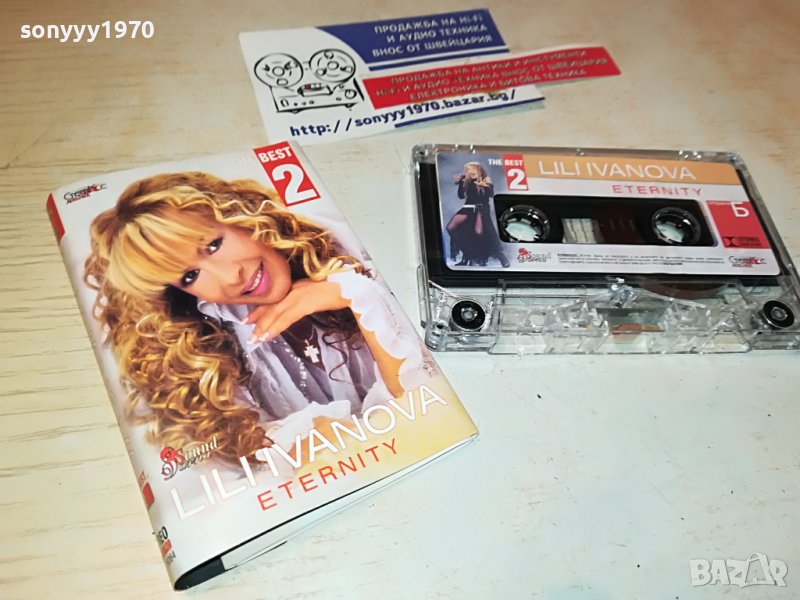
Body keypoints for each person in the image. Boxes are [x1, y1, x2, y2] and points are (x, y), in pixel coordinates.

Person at [84, 172, 427, 465]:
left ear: (238, 216)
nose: (230, 277)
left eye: (213, 245)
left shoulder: (346, 241)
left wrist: (354, 294)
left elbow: (426, 402)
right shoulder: (210, 353)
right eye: (190, 276)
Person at [446, 161, 509, 267]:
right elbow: (461, 196)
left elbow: (491, 195)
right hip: (468, 208)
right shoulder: (466, 180)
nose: (471, 171)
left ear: (479, 170)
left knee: (479, 232)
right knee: (450, 227)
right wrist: (459, 183)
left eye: (473, 169)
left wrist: (485, 186)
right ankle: (467, 254)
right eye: (468, 170)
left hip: (481, 208)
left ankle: (501, 256)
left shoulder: (486, 179)